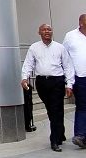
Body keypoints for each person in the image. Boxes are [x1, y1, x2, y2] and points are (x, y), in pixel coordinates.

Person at [22, 23, 74, 152]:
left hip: (57, 81)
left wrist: (69, 84)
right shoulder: (34, 48)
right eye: (44, 30)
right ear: (39, 32)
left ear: (52, 32)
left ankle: (54, 140)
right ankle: (60, 132)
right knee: (52, 110)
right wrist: (24, 78)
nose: (47, 31)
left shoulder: (60, 48)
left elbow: (68, 66)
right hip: (42, 82)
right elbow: (28, 64)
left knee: (55, 109)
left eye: (49, 29)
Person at [64, 14, 86, 149]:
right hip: (80, 78)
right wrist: (68, 82)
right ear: (81, 23)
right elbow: (65, 59)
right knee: (82, 106)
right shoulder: (70, 36)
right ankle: (80, 135)